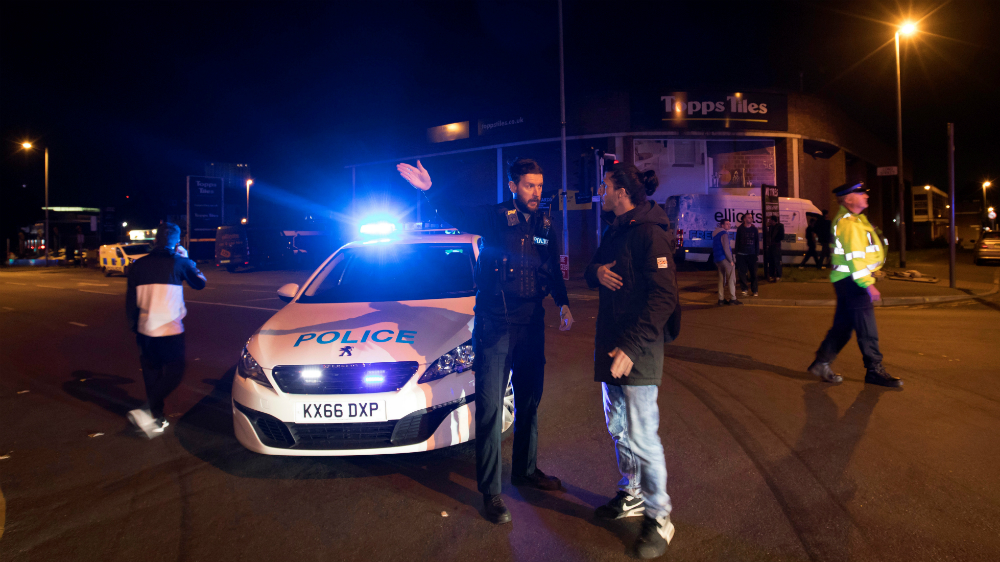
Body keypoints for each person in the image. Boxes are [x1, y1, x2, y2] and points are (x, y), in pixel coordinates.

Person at [397, 158, 574, 525]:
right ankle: (491, 492)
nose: (536, 192)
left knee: (529, 402)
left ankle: (525, 470)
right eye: (529, 186)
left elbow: (552, 269)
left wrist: (563, 303)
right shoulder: (495, 217)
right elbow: (457, 214)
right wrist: (429, 190)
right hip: (496, 325)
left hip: (531, 324)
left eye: (539, 186)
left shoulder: (544, 225)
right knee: (491, 409)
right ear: (513, 187)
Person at [585, 163, 680, 559]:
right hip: (612, 346)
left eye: (604, 186)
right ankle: (633, 493)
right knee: (619, 427)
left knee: (642, 435)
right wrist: (597, 272)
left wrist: (631, 346)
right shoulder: (615, 230)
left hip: (637, 350)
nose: (600, 192)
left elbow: (664, 297)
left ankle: (660, 517)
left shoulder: (650, 233)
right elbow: (591, 269)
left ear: (621, 192)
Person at [808, 182, 902, 388]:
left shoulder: (855, 220)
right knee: (867, 328)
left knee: (843, 327)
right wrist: (868, 284)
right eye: (860, 193)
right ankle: (874, 370)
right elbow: (855, 258)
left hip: (846, 280)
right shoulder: (849, 223)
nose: (866, 195)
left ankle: (821, 363)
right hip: (854, 281)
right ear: (848, 199)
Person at [125, 223, 207, 438]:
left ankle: (156, 417)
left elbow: (130, 301)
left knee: (152, 374)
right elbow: (200, 283)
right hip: (170, 329)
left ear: (155, 240)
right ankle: (146, 411)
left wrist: (134, 326)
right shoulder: (180, 262)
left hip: (145, 329)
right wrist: (188, 259)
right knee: (175, 372)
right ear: (177, 242)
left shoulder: (138, 265)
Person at [712, 220, 739, 305]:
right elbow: (726, 248)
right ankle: (733, 299)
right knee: (731, 278)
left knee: (721, 279)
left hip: (718, 259)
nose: (729, 225)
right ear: (722, 225)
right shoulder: (724, 234)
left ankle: (721, 299)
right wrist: (731, 260)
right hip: (724, 258)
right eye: (727, 224)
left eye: (729, 224)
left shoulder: (715, 234)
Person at [734, 213, 759, 297]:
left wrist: (757, 254)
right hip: (741, 254)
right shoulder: (740, 229)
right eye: (749, 217)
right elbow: (737, 241)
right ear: (744, 219)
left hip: (752, 254)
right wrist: (737, 253)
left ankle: (755, 290)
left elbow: (757, 242)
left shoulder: (754, 229)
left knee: (753, 273)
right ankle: (744, 289)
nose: (751, 219)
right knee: (742, 273)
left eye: (751, 217)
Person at [766, 215, 785, 282]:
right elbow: (767, 235)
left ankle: (778, 275)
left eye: (770, 220)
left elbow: (781, 236)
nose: (769, 221)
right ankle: (771, 275)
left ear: (773, 220)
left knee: (777, 260)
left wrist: (775, 241)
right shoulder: (770, 227)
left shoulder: (779, 226)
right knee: (771, 260)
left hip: (776, 246)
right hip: (770, 246)